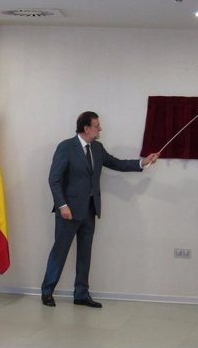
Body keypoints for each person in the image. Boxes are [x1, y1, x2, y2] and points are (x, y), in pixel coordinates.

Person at [41, 111, 159, 308]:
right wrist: (62, 205)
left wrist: (142, 162)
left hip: (90, 210)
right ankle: (47, 292)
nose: (100, 129)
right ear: (86, 128)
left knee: (85, 254)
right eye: (97, 126)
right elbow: (54, 179)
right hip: (68, 211)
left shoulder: (97, 148)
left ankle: (81, 294)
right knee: (59, 252)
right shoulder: (66, 147)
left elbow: (116, 163)